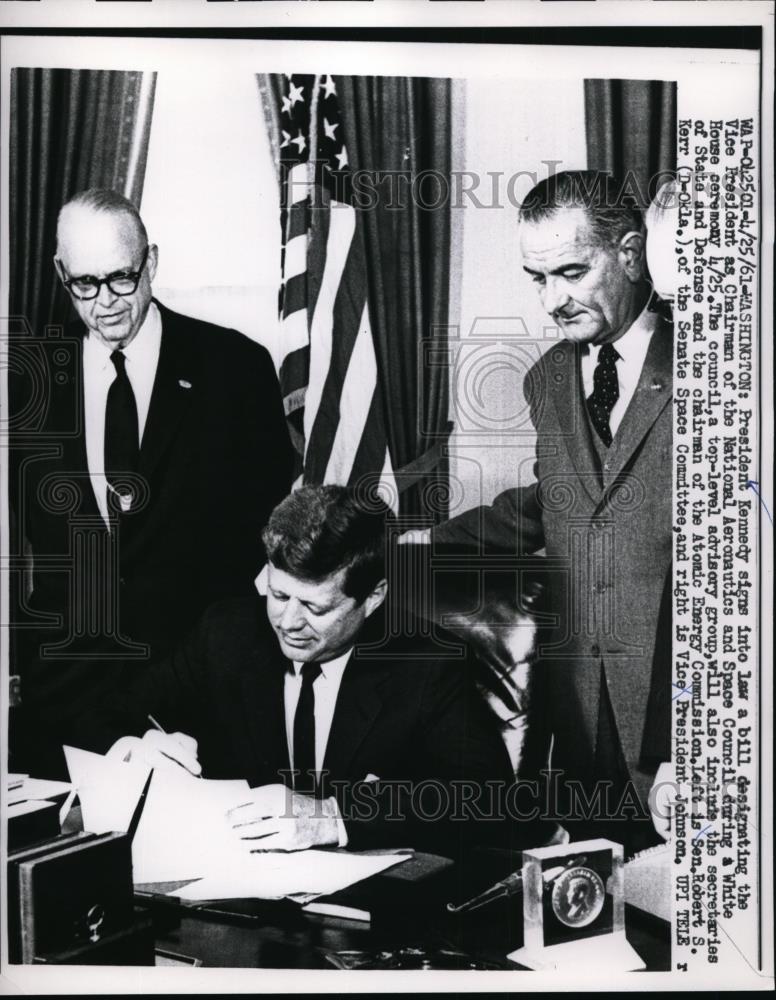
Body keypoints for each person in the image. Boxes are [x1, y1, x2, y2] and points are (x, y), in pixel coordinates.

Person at [408, 171, 673, 852]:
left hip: (682, 723)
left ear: (632, 251)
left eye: (572, 272)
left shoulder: (718, 362)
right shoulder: (548, 379)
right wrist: (420, 542)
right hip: (582, 724)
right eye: (537, 277)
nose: (552, 299)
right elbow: (554, 502)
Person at [9, 189, 293, 777]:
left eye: (121, 279)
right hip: (67, 697)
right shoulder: (26, 381)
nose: (105, 303)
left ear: (152, 263)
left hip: (197, 698)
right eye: (84, 284)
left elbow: (261, 535)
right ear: (62, 274)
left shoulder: (234, 368)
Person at [93, 485, 529, 855]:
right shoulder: (225, 633)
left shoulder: (427, 661)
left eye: (315, 607)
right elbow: (108, 714)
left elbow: (484, 801)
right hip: (232, 892)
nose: (288, 623)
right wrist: (135, 745)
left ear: (374, 598)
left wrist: (331, 817)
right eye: (279, 596)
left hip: (362, 914)